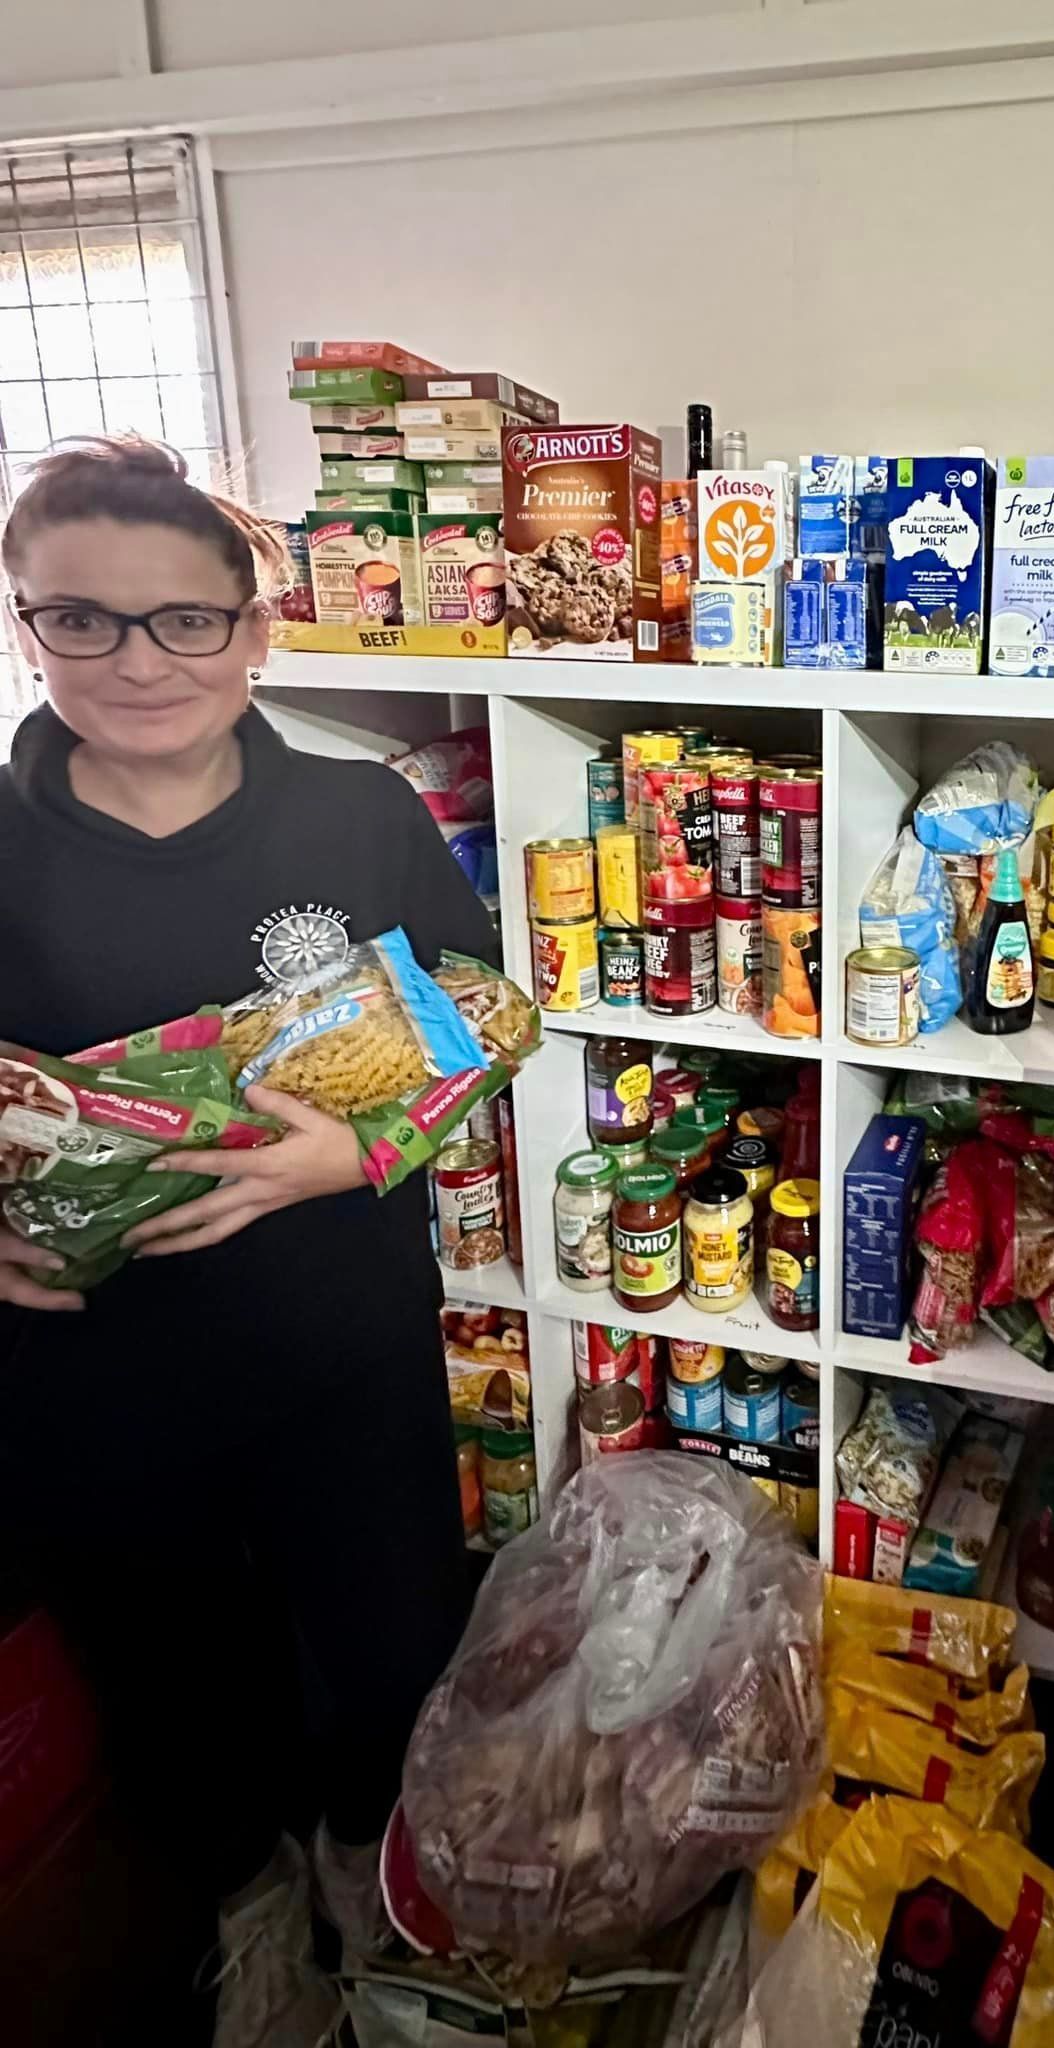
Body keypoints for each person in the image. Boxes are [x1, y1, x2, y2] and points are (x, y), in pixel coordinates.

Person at [0, 438, 496, 2044]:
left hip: (339, 1346)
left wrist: (357, 1146)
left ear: (253, 632)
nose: (137, 662)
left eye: (183, 621)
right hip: (89, 1381)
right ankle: (257, 1916)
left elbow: (482, 1010)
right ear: (26, 626)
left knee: (389, 1655)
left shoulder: (358, 816)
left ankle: (374, 1893)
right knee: (173, 1690)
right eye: (82, 618)